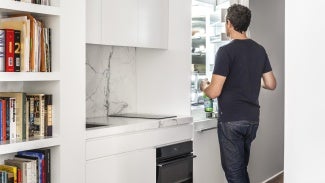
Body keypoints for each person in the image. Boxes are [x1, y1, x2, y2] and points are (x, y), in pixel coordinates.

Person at [200, 4, 276, 183]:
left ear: (229, 23)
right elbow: (271, 84)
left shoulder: (225, 51)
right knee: (240, 170)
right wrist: (248, 80)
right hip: (251, 120)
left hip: (232, 121)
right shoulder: (259, 49)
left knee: (234, 174)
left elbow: (214, 92)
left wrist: (204, 86)